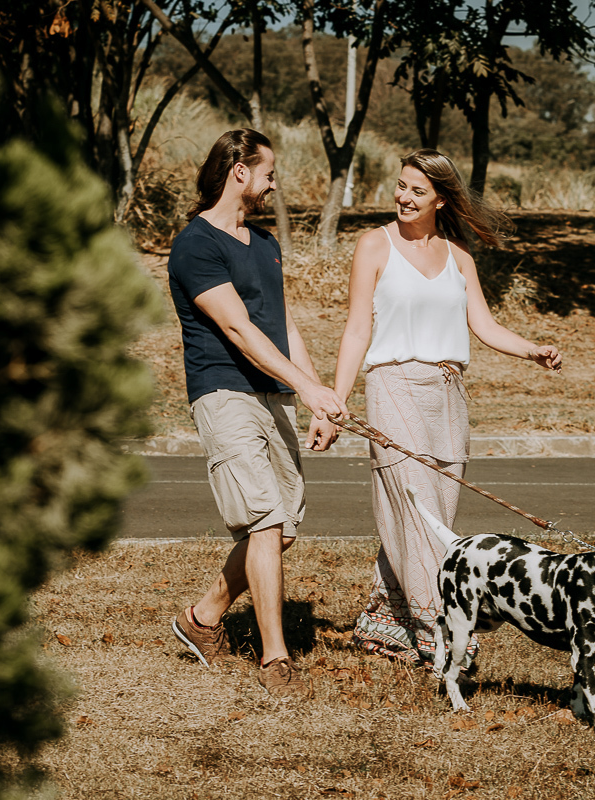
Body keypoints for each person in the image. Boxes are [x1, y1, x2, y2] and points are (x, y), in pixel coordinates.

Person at [329, 149, 562, 666]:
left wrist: (532, 350)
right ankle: (445, 628)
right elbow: (357, 329)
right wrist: (335, 402)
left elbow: (483, 324)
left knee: (432, 511)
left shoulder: (460, 258)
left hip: (449, 394)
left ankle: (384, 624)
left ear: (440, 197)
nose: (403, 197)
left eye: (417, 190)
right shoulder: (374, 246)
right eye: (400, 185)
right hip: (393, 385)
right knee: (418, 510)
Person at [166, 129, 345, 698]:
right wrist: (308, 389)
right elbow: (238, 330)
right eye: (268, 172)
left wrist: (316, 393)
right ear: (239, 171)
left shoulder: (265, 242)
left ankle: (202, 616)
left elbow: (280, 325)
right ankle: (275, 659)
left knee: (282, 528)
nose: (273, 183)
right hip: (223, 390)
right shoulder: (196, 244)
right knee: (264, 520)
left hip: (276, 392)